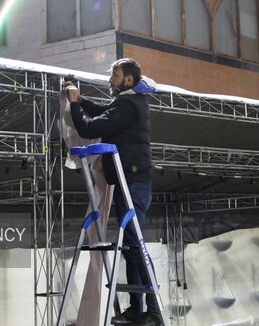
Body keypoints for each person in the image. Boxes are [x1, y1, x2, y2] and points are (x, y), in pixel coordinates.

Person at [64, 58, 163, 326]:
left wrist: (73, 104)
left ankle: (153, 312)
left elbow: (89, 127)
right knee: (132, 245)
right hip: (128, 181)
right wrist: (81, 101)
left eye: (114, 75)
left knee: (136, 244)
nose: (110, 80)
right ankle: (136, 308)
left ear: (128, 80)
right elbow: (103, 112)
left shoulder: (129, 104)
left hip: (134, 183)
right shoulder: (128, 102)